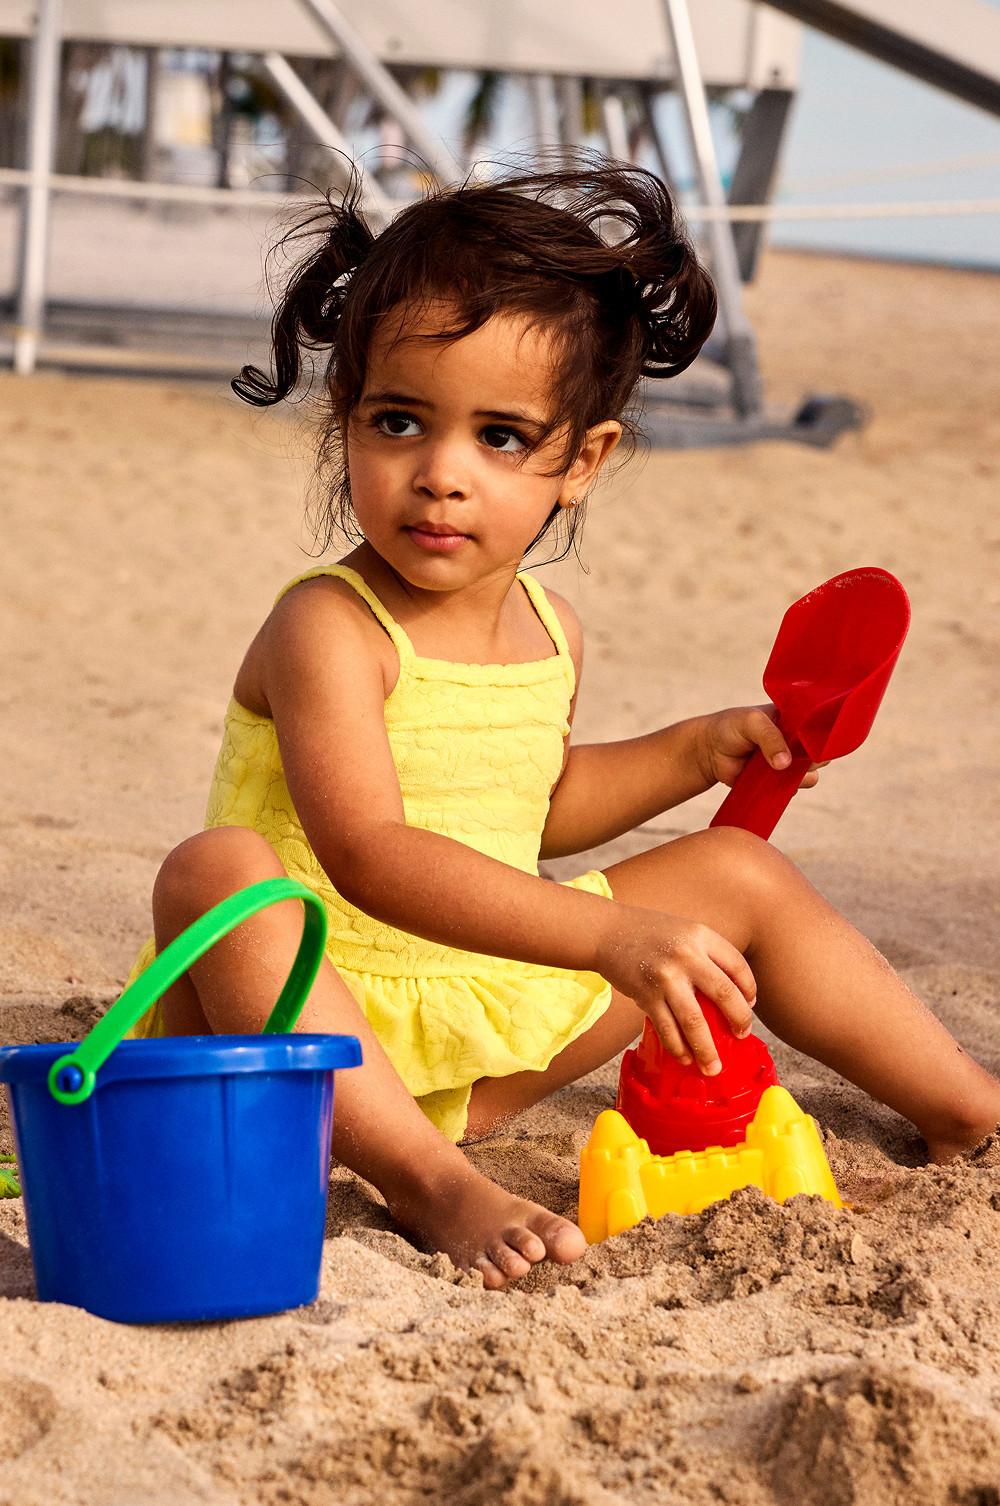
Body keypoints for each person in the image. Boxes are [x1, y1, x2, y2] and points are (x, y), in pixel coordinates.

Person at [127, 158, 1000, 1290]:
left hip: (484, 1034)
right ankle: (425, 1179)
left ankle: (965, 1109)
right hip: (291, 1031)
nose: (441, 476)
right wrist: (607, 940)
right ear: (346, 425)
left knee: (735, 869)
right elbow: (372, 853)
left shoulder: (551, 626)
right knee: (221, 872)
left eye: (500, 437)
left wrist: (693, 755)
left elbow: (523, 816)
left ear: (582, 461)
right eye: (400, 421)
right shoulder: (327, 630)